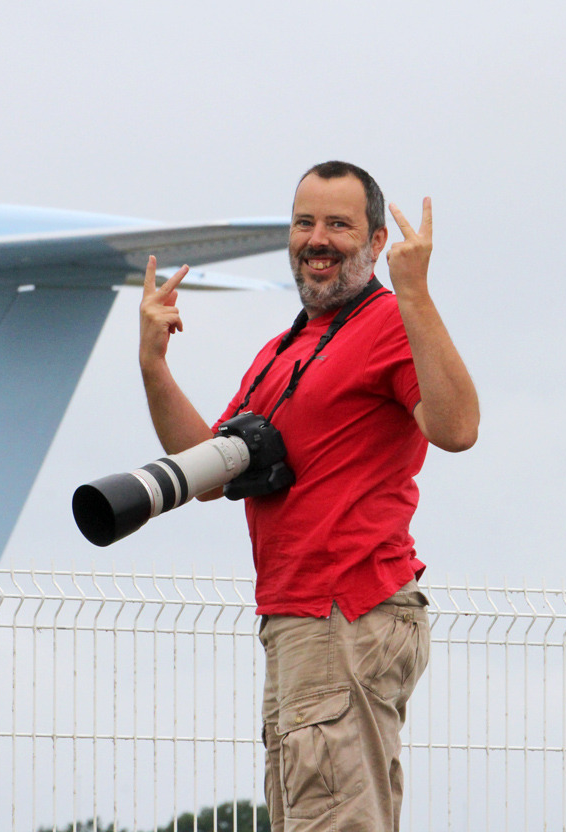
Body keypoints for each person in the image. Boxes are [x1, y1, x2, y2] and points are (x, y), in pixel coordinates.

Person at [138, 161, 479, 831]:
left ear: (379, 242)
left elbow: (458, 427)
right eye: (304, 222)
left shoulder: (388, 323)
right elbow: (207, 476)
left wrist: (414, 294)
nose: (317, 239)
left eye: (339, 225)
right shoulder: (281, 350)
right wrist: (154, 365)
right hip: (300, 620)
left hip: (344, 611)